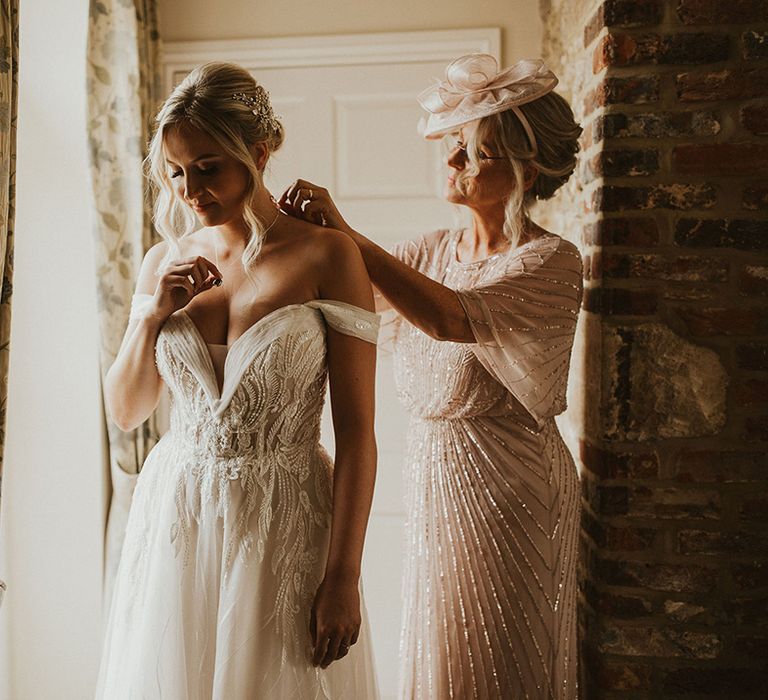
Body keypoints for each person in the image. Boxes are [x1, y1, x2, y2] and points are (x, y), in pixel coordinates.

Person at [280, 53, 583, 700]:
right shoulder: (426, 253)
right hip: (435, 482)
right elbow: (341, 303)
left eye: (477, 153)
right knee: (445, 654)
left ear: (526, 172)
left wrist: (347, 234)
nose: (452, 162)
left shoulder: (552, 262)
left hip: (513, 492)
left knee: (505, 658)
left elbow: (451, 318)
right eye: (453, 145)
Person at [95, 62, 380, 699]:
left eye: (208, 166)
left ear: (258, 151)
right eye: (175, 172)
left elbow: (358, 435)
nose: (191, 190)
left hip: (284, 521)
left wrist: (344, 575)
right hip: (178, 512)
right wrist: (151, 319)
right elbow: (127, 410)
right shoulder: (161, 263)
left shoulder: (328, 255)